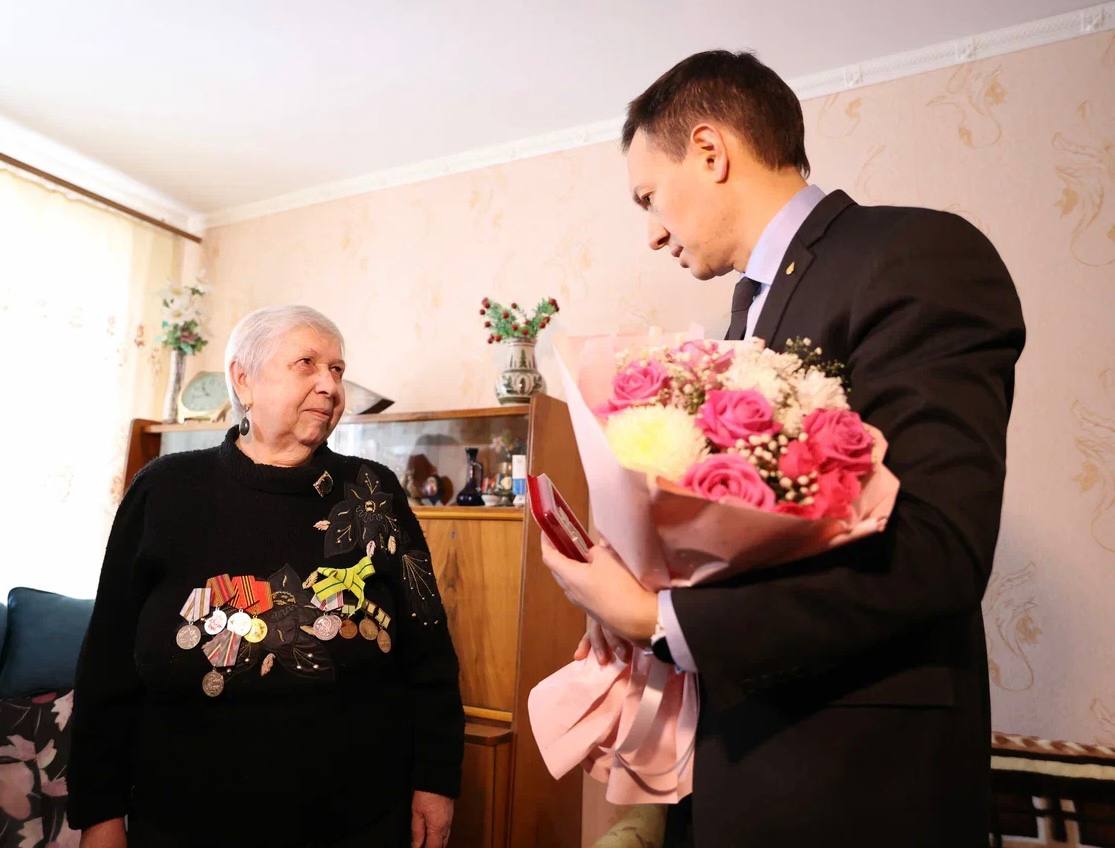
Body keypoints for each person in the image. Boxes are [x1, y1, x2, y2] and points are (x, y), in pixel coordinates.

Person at [540, 50, 1025, 846]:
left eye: (647, 198)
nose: (652, 233)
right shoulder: (743, 320)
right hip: (735, 762)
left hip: (853, 783)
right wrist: (638, 590)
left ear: (709, 150)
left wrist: (663, 618)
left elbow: (936, 551)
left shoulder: (913, 255)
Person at [68, 305, 463, 848]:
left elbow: (429, 648)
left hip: (359, 818)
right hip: (185, 821)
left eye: (337, 370)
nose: (330, 385)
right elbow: (107, 662)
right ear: (243, 380)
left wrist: (437, 780)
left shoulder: (373, 492)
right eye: (307, 364)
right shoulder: (165, 491)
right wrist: (100, 813)